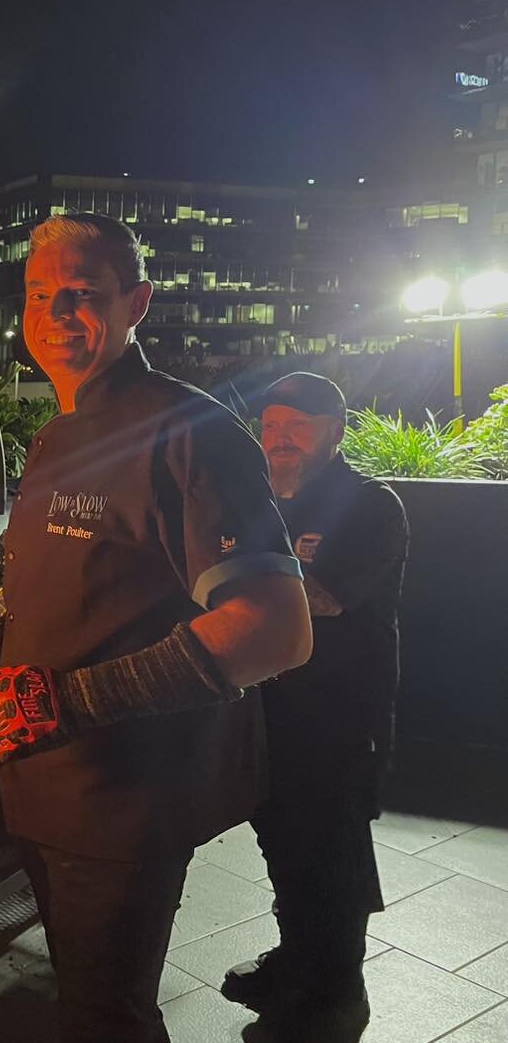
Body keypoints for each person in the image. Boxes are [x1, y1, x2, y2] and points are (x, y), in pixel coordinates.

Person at [0, 213, 312, 1043]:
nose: (57, 312)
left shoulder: (187, 432)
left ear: (138, 304)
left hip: (124, 796)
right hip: (39, 780)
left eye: (84, 294)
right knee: (85, 999)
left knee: (104, 1018)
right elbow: (46, 581)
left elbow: (275, 628)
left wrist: (67, 703)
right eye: (40, 293)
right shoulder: (58, 432)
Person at [222, 373, 409, 1039]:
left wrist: (243, 577)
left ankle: (336, 986)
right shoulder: (264, 506)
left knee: (332, 851)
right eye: (271, 427)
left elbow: (325, 598)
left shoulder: (371, 506)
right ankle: (297, 959)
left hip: (340, 716)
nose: (280, 440)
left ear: (335, 429)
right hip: (270, 712)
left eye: (297, 426)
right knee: (283, 842)